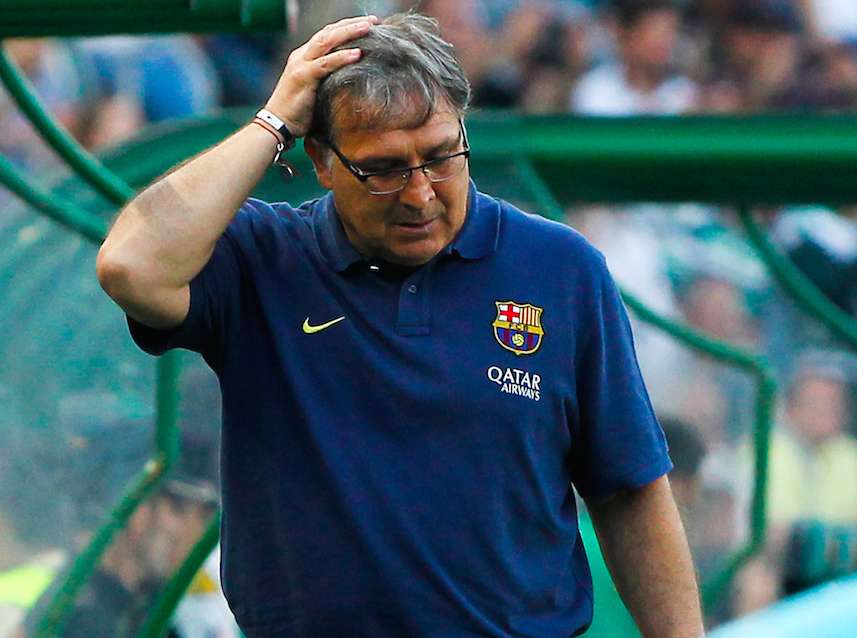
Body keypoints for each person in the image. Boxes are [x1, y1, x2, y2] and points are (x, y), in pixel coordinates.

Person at [96, 12, 704, 638]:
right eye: (383, 169)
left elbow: (629, 489)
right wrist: (272, 120)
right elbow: (129, 266)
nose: (420, 194)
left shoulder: (560, 267)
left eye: (441, 157)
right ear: (322, 161)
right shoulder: (264, 257)